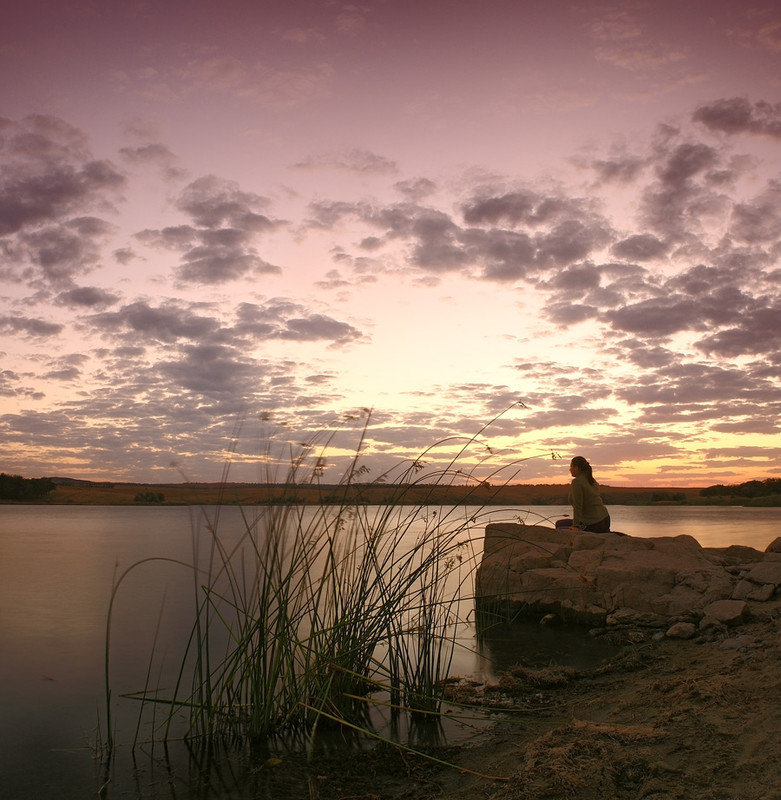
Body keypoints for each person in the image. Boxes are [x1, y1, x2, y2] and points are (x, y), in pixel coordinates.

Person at [566, 456, 611, 533]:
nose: (570, 469)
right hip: (605, 519)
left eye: (571, 466)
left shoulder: (577, 482)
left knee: (560, 525)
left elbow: (578, 506)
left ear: (576, 468)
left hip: (593, 524)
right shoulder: (592, 480)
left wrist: (575, 526)